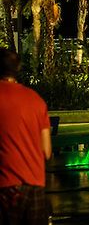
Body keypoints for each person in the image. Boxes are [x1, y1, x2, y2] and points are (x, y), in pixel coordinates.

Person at [0, 49, 52, 225]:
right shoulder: (36, 100)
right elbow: (46, 151)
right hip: (34, 187)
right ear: (17, 69)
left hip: (4, 188)